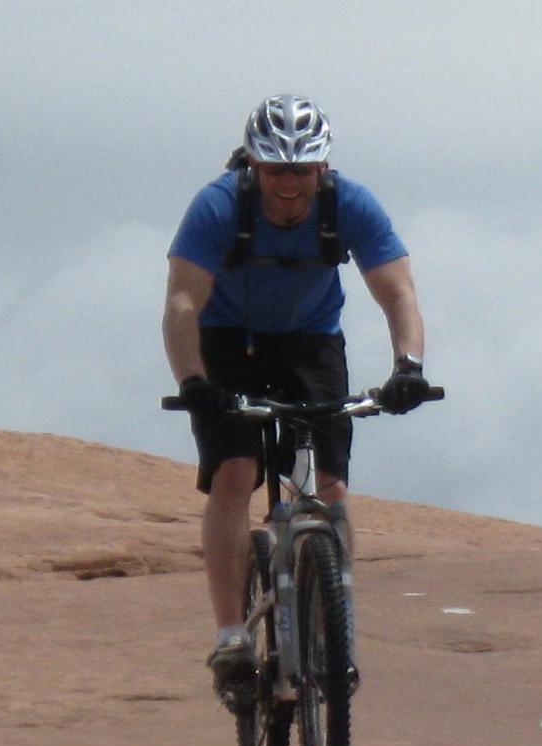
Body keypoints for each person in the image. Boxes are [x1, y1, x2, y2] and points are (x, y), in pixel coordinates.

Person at [163, 93, 428, 710]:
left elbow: (399, 293)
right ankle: (232, 636)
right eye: (275, 169)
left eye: (301, 170)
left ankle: (334, 629)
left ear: (322, 168)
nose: (288, 183)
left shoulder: (349, 204)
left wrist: (408, 367)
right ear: (253, 165)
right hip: (229, 342)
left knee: (328, 485)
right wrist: (194, 383)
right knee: (236, 472)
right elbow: (182, 302)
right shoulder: (218, 205)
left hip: (310, 342)